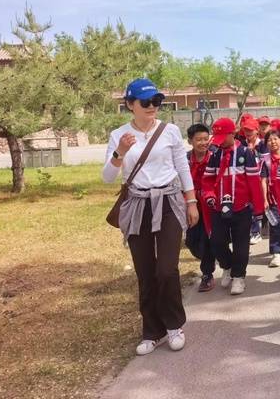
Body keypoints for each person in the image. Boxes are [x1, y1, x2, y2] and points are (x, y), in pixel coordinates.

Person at [102, 78, 199, 356]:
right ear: (130, 105)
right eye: (146, 102)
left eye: (157, 101)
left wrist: (190, 201)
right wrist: (120, 152)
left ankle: (174, 326)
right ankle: (152, 330)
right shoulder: (118, 134)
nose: (152, 107)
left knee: (166, 269)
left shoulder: (169, 131)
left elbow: (183, 166)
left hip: (168, 201)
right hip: (137, 204)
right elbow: (108, 177)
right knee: (145, 271)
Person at [202, 118, 260, 296]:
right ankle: (227, 266)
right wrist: (210, 196)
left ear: (232, 133)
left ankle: (239, 277)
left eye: (222, 136)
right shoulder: (215, 155)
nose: (219, 141)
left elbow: (254, 182)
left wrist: (258, 207)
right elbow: (208, 180)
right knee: (217, 241)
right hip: (218, 208)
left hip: (241, 208)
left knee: (241, 244)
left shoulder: (245, 153)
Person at [185, 123, 218, 292]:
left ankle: (207, 274)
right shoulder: (185, 159)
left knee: (207, 239)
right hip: (191, 204)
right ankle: (210, 257)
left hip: (209, 204)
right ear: (190, 141)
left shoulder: (215, 156)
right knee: (191, 240)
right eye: (199, 139)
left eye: (206, 139)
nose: (203, 143)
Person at [261, 129, 280, 268]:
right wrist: (264, 199)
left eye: (275, 139)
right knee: (275, 225)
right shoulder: (265, 160)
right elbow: (263, 180)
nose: (273, 142)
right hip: (273, 200)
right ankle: (276, 253)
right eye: (269, 140)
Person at [239, 115, 267, 245]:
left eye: (251, 130)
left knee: (257, 204)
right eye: (246, 130)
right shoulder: (241, 144)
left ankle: (256, 231)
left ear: (257, 130)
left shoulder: (262, 144)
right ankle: (250, 231)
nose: (248, 133)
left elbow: (265, 163)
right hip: (245, 180)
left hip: (261, 178)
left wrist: (253, 153)